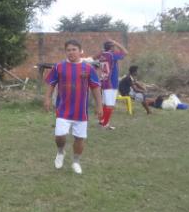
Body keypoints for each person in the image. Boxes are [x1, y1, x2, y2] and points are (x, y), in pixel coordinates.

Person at [44, 39, 103, 175]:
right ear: (66, 51)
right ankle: (60, 152)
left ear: (80, 51)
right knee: (59, 135)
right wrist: (47, 98)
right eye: (68, 50)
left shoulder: (88, 68)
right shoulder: (59, 67)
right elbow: (51, 83)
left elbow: (95, 88)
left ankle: (76, 161)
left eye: (74, 49)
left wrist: (99, 106)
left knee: (79, 139)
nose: (71, 52)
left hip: (81, 112)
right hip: (63, 109)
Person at [94, 39, 128, 129]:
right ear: (112, 47)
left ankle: (102, 121)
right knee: (110, 105)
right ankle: (105, 124)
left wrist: (102, 50)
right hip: (111, 83)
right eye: (114, 46)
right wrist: (117, 43)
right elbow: (125, 52)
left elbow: (94, 58)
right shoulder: (112, 55)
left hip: (104, 82)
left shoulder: (102, 55)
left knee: (105, 103)